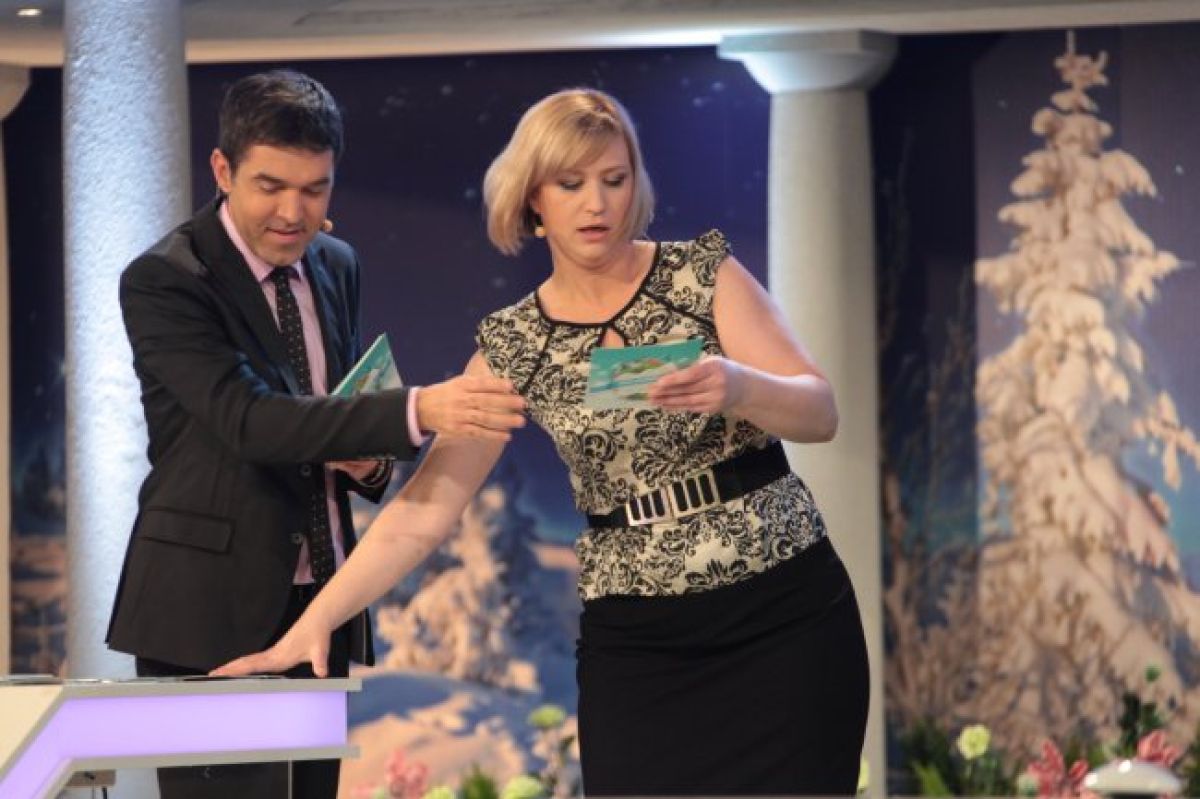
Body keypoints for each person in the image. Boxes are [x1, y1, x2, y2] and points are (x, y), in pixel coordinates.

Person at [216, 87, 869, 796]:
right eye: (571, 183)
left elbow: (820, 412)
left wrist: (741, 386)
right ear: (533, 197)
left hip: (783, 616)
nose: (597, 203)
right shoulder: (516, 343)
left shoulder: (700, 276)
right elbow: (425, 510)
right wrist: (316, 621)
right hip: (641, 643)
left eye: (614, 179)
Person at [106, 69, 525, 799]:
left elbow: (337, 404)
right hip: (206, 609)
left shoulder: (336, 263)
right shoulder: (166, 280)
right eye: (270, 186)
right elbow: (250, 418)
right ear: (222, 170)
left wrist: (371, 462)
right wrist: (418, 410)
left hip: (320, 605)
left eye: (315, 189)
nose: (293, 212)